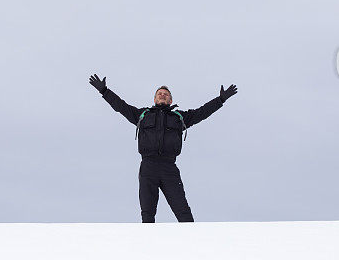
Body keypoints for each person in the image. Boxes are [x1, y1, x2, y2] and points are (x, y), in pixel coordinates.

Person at [89, 74, 237, 223]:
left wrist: (220, 100)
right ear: (154, 99)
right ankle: (147, 244)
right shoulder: (142, 115)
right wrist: (105, 91)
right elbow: (121, 106)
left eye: (166, 95)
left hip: (169, 168)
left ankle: (193, 242)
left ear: (170, 100)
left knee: (183, 211)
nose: (162, 96)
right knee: (147, 213)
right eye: (159, 94)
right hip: (148, 167)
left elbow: (202, 112)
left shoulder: (179, 117)